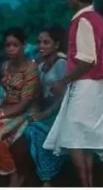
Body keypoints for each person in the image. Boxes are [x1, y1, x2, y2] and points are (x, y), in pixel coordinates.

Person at [43, 0, 103, 188]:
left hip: (85, 86)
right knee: (82, 141)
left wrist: (63, 81)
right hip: (95, 86)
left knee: (74, 140)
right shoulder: (97, 18)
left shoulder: (83, 21)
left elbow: (87, 60)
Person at [0, 28, 39, 186]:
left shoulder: (31, 68)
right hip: (5, 106)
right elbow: (0, 93)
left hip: (22, 110)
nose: (10, 49)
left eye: (15, 45)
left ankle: (13, 172)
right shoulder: (5, 66)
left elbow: (24, 104)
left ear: (23, 45)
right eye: (7, 45)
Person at [24, 27, 69, 185]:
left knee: (34, 131)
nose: (41, 46)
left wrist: (45, 113)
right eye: (39, 42)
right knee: (24, 128)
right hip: (45, 111)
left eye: (46, 42)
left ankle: (46, 178)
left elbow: (65, 97)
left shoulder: (61, 65)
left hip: (60, 113)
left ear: (56, 45)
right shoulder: (40, 67)